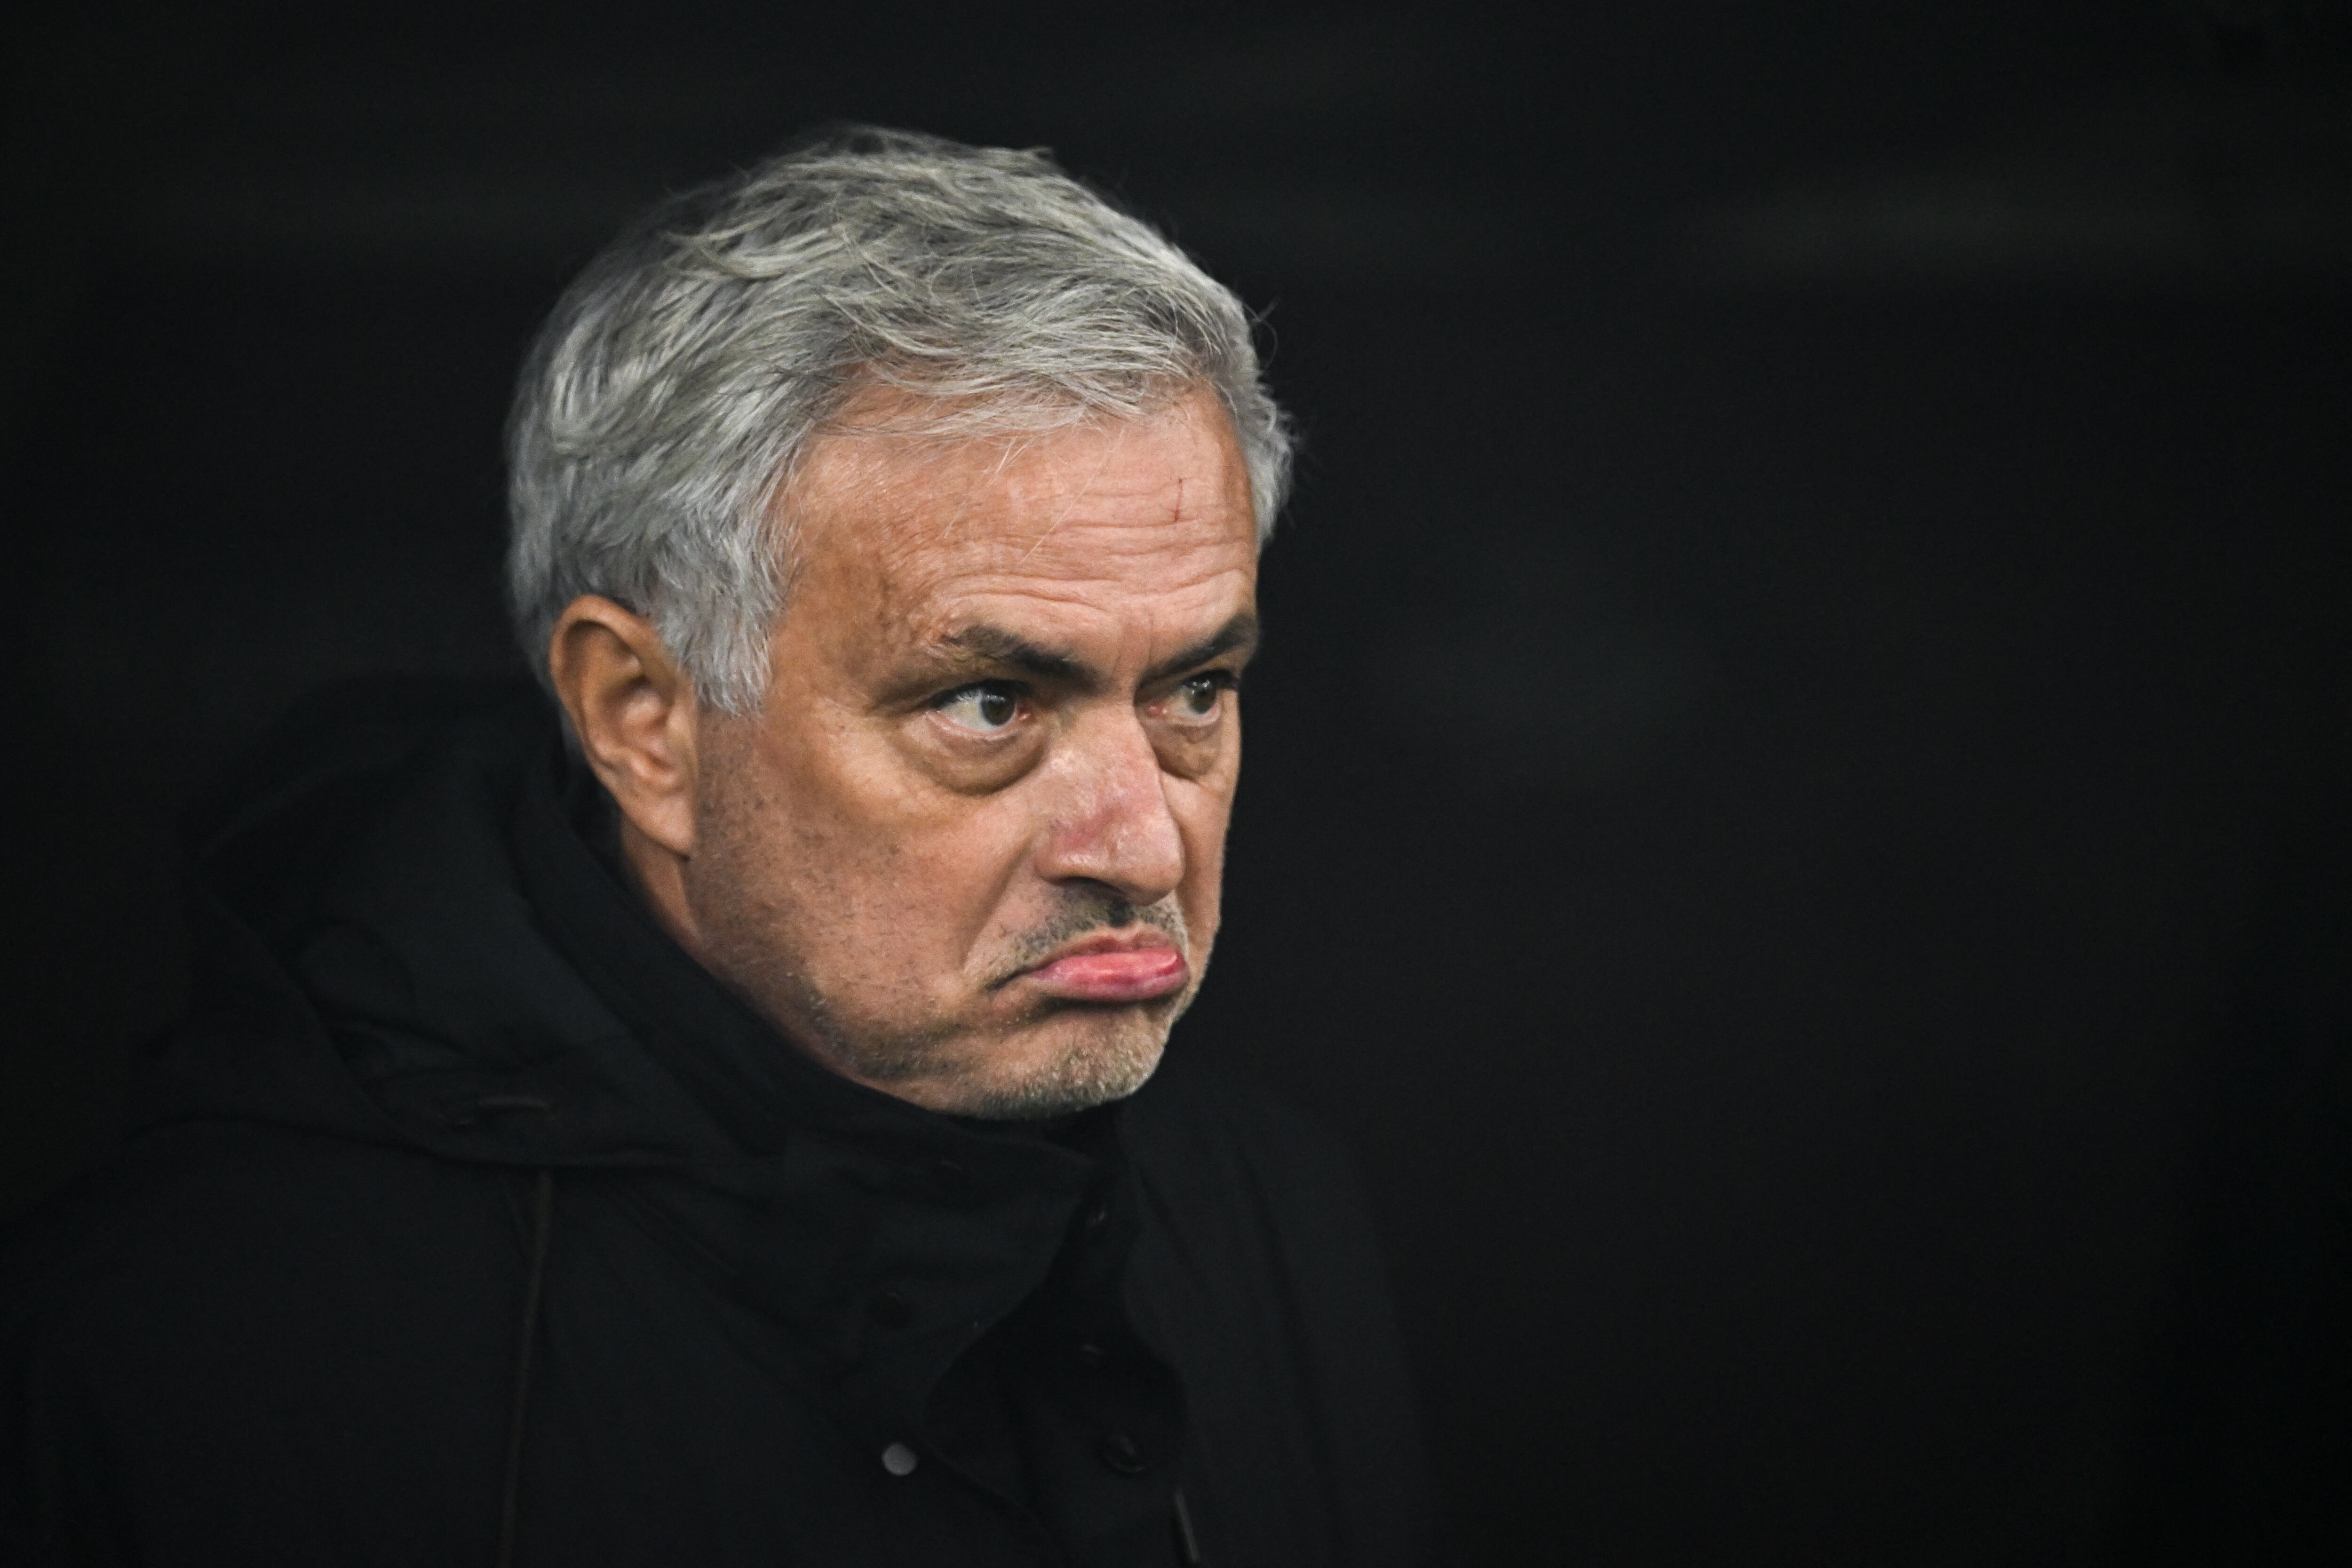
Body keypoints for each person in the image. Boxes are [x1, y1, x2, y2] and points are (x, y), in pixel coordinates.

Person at [0, 127, 1437, 1566]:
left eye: (1195, 691)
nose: (1139, 845)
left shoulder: (1261, 1212)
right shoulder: (176, 1358)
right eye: (991, 704)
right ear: (645, 722)